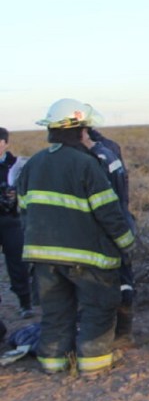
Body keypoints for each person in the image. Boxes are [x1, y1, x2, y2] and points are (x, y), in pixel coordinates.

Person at [17, 98, 135, 375]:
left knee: (56, 312)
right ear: (81, 131)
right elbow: (108, 211)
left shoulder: (33, 164)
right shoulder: (86, 164)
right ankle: (94, 365)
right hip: (87, 257)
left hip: (42, 258)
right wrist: (126, 243)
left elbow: (23, 210)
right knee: (99, 307)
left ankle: (53, 363)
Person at [87, 128, 136, 347]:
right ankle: (122, 333)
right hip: (120, 220)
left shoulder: (94, 155)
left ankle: (113, 335)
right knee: (123, 279)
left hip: (106, 226)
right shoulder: (110, 148)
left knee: (108, 282)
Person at [0, 127, 34, 319]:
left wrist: (14, 196)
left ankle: (25, 303)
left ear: (6, 143)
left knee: (17, 263)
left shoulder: (17, 165)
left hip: (12, 220)